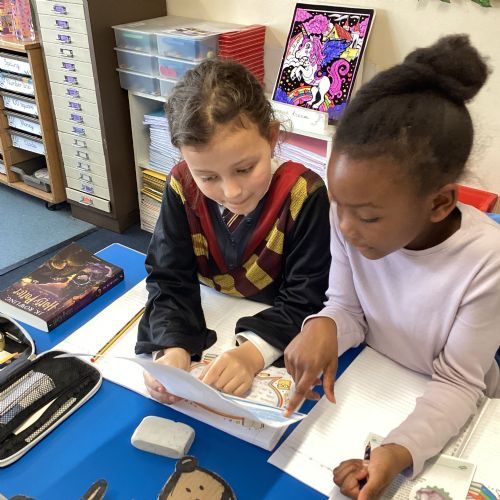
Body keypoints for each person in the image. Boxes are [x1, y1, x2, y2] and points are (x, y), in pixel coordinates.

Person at [284, 34, 500, 498]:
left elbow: (460, 383)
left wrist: (399, 450)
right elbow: (348, 308)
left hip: (460, 413)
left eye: (367, 216)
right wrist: (324, 324)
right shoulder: (349, 221)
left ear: (439, 203)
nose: (346, 227)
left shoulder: (487, 262)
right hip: (376, 380)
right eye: (338, 204)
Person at [136, 58, 331, 404]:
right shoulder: (182, 184)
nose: (233, 192)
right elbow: (168, 277)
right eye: (208, 177)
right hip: (215, 312)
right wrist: (173, 347)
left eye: (244, 168)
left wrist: (252, 354)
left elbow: (308, 297)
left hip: (272, 324)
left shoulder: (304, 194)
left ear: (271, 137)